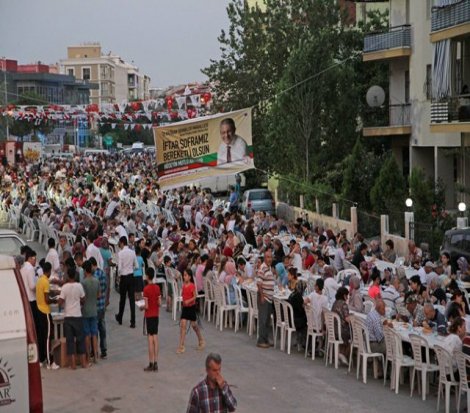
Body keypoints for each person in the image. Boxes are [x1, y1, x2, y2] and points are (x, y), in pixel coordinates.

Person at [59, 268, 89, 369]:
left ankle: (73, 365)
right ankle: (84, 363)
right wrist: (79, 303)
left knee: (70, 341)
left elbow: (60, 301)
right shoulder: (79, 286)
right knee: (80, 339)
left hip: (68, 316)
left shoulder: (64, 287)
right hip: (77, 315)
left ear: (67, 276)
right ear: (75, 276)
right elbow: (83, 299)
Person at [35, 262, 59, 369]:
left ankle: (41, 359)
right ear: (49, 271)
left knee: (41, 336)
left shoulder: (40, 280)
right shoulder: (45, 282)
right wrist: (54, 300)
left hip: (38, 310)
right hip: (45, 311)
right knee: (48, 336)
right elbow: (47, 299)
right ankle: (50, 362)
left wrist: (53, 294)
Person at [177, 269, 205, 354]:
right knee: (183, 325)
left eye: (185, 275)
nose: (184, 277)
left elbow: (195, 296)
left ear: (189, 277)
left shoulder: (192, 285)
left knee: (194, 325)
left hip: (191, 307)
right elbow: (183, 295)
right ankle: (181, 345)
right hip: (185, 308)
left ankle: (201, 339)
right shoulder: (183, 285)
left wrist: (189, 301)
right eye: (183, 275)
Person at [115, 236, 137, 328]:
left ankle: (120, 317)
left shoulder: (120, 253)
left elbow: (119, 268)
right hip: (131, 276)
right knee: (132, 300)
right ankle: (133, 321)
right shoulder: (132, 252)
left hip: (124, 277)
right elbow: (137, 266)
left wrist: (118, 275)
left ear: (122, 243)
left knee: (122, 299)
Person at [81, 260, 100, 363]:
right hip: (94, 310)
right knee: (94, 334)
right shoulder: (96, 281)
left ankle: (88, 355)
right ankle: (96, 356)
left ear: (85, 270)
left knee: (87, 334)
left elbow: (82, 297)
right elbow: (99, 295)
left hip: (85, 311)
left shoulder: (83, 282)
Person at [142, 267, 161, 372]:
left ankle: (151, 362)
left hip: (149, 315)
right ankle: (156, 362)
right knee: (155, 338)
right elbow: (158, 303)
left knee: (150, 338)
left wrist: (141, 307)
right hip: (156, 315)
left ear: (147, 276)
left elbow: (146, 306)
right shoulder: (157, 288)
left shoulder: (146, 289)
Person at [89, 257, 108, 359]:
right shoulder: (102, 273)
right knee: (102, 328)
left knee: (94, 329)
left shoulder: (94, 276)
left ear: (92, 265)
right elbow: (105, 287)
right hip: (101, 304)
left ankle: (94, 350)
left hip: (95, 305)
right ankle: (103, 349)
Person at [256, 249, 275, 349]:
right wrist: (262, 296)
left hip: (269, 298)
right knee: (263, 320)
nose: (269, 259)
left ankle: (266, 339)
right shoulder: (262, 268)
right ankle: (261, 340)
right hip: (264, 297)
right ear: (264, 258)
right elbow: (259, 283)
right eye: (268, 257)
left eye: (271, 257)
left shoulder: (269, 268)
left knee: (267, 320)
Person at [331, 287, 351, 364]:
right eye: (347, 295)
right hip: (341, 331)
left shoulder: (335, 303)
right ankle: (343, 354)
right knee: (355, 336)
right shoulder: (344, 304)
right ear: (344, 295)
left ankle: (340, 353)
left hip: (333, 330)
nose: (347, 297)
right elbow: (347, 319)